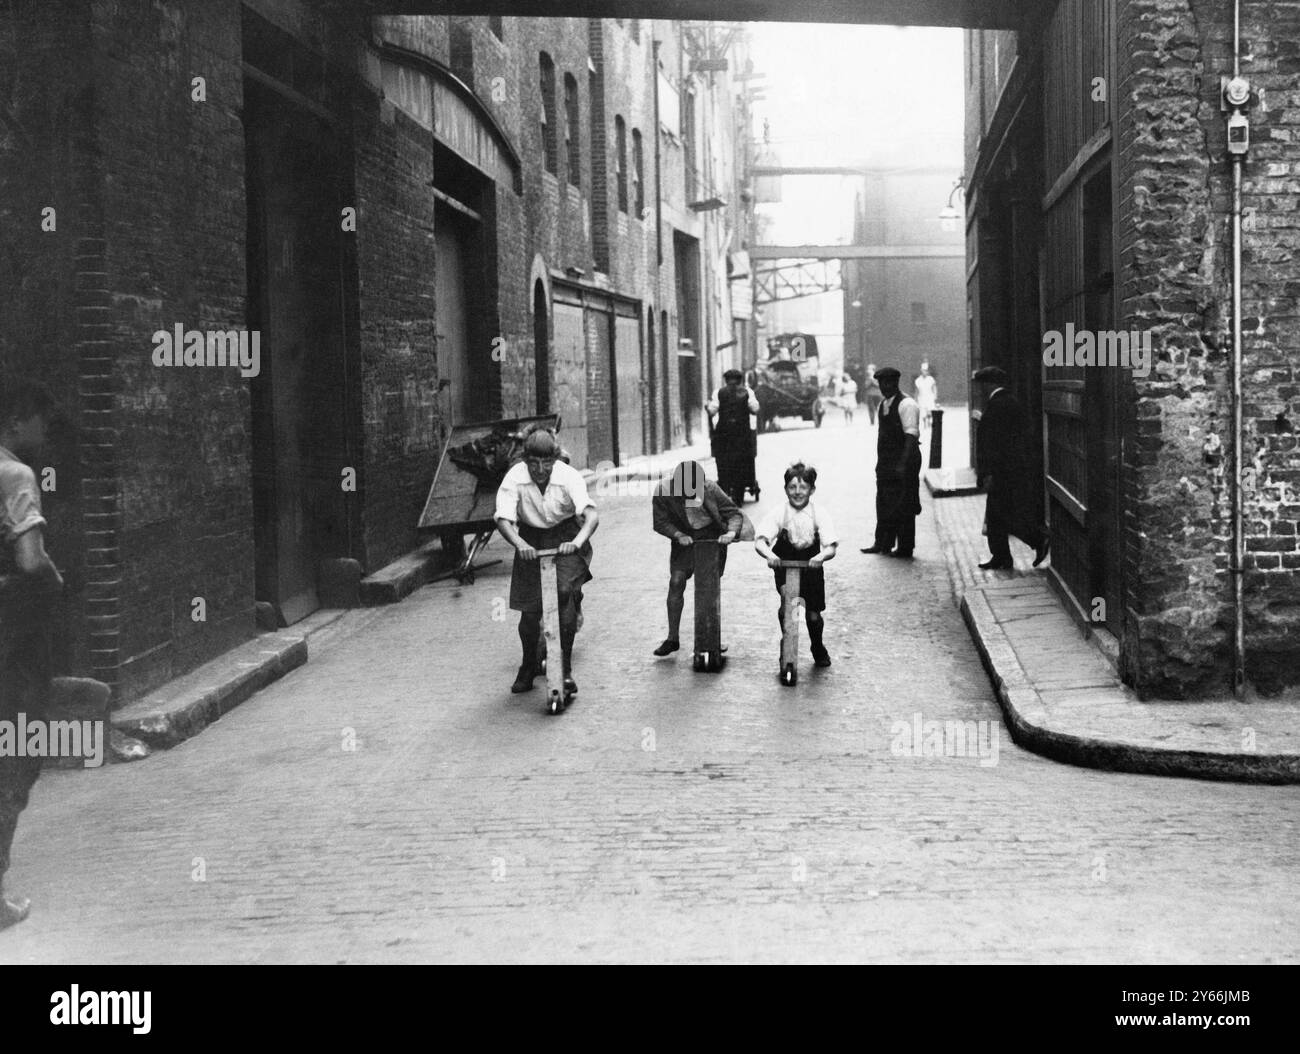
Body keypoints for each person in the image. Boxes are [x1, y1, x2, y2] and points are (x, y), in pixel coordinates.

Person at [0, 381, 62, 931]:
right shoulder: (16, 475)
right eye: (41, 423)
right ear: (17, 422)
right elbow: (28, 559)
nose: (45, 435)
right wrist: (56, 577)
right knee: (15, 758)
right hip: (12, 640)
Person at [494, 428, 599, 695]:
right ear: (524, 460)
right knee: (530, 612)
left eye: (547, 463)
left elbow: (590, 516)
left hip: (566, 535)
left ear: (555, 459)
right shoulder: (514, 478)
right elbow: (503, 519)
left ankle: (563, 670)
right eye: (534, 463)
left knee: (563, 593)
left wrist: (576, 543)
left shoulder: (568, 477)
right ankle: (528, 665)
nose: (540, 469)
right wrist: (520, 544)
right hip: (530, 538)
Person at [650, 460, 748, 656]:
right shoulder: (663, 490)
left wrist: (730, 533)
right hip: (684, 540)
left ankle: (711, 638)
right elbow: (660, 521)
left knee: (708, 591)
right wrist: (678, 535)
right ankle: (672, 638)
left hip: (711, 539)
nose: (690, 494)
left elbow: (734, 514)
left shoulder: (710, 488)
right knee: (676, 581)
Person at [755, 462, 838, 668]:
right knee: (788, 606)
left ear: (812, 489)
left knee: (813, 616)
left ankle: (817, 646)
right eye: (792, 487)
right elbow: (760, 540)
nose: (797, 492)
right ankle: (787, 648)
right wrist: (769, 555)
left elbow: (831, 546)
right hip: (785, 566)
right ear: (785, 489)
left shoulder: (819, 513)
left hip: (811, 567)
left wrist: (821, 557)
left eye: (803, 487)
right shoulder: (779, 512)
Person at [972, 366, 1050, 570]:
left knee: (1004, 514)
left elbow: (993, 444)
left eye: (980, 385)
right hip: (1009, 469)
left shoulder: (998, 405)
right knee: (997, 515)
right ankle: (1001, 557)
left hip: (1002, 472)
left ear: (989, 384)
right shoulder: (1008, 402)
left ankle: (1037, 539)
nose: (978, 390)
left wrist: (988, 473)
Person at [860, 366, 922, 559]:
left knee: (904, 504)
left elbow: (911, 436)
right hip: (887, 463)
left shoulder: (907, 405)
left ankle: (905, 547)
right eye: (881, 384)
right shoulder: (883, 405)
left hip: (905, 461)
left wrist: (903, 465)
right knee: (884, 502)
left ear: (895, 383)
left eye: (887, 383)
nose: (884, 387)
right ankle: (882, 543)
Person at [707, 369, 759, 506]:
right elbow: (755, 409)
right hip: (742, 437)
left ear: (726, 380)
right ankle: (738, 496)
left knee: (723, 464)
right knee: (742, 465)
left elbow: (712, 411)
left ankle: (724, 493)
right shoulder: (748, 393)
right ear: (740, 380)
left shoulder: (718, 393)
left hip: (724, 437)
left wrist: (709, 408)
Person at [914, 361, 938, 436]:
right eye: (923, 370)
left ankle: (929, 422)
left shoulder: (931, 379)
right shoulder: (918, 380)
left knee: (930, 411)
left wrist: (935, 395)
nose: (925, 372)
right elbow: (916, 390)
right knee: (923, 411)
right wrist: (915, 399)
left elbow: (934, 387)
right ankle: (925, 424)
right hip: (922, 397)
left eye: (926, 370)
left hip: (929, 397)